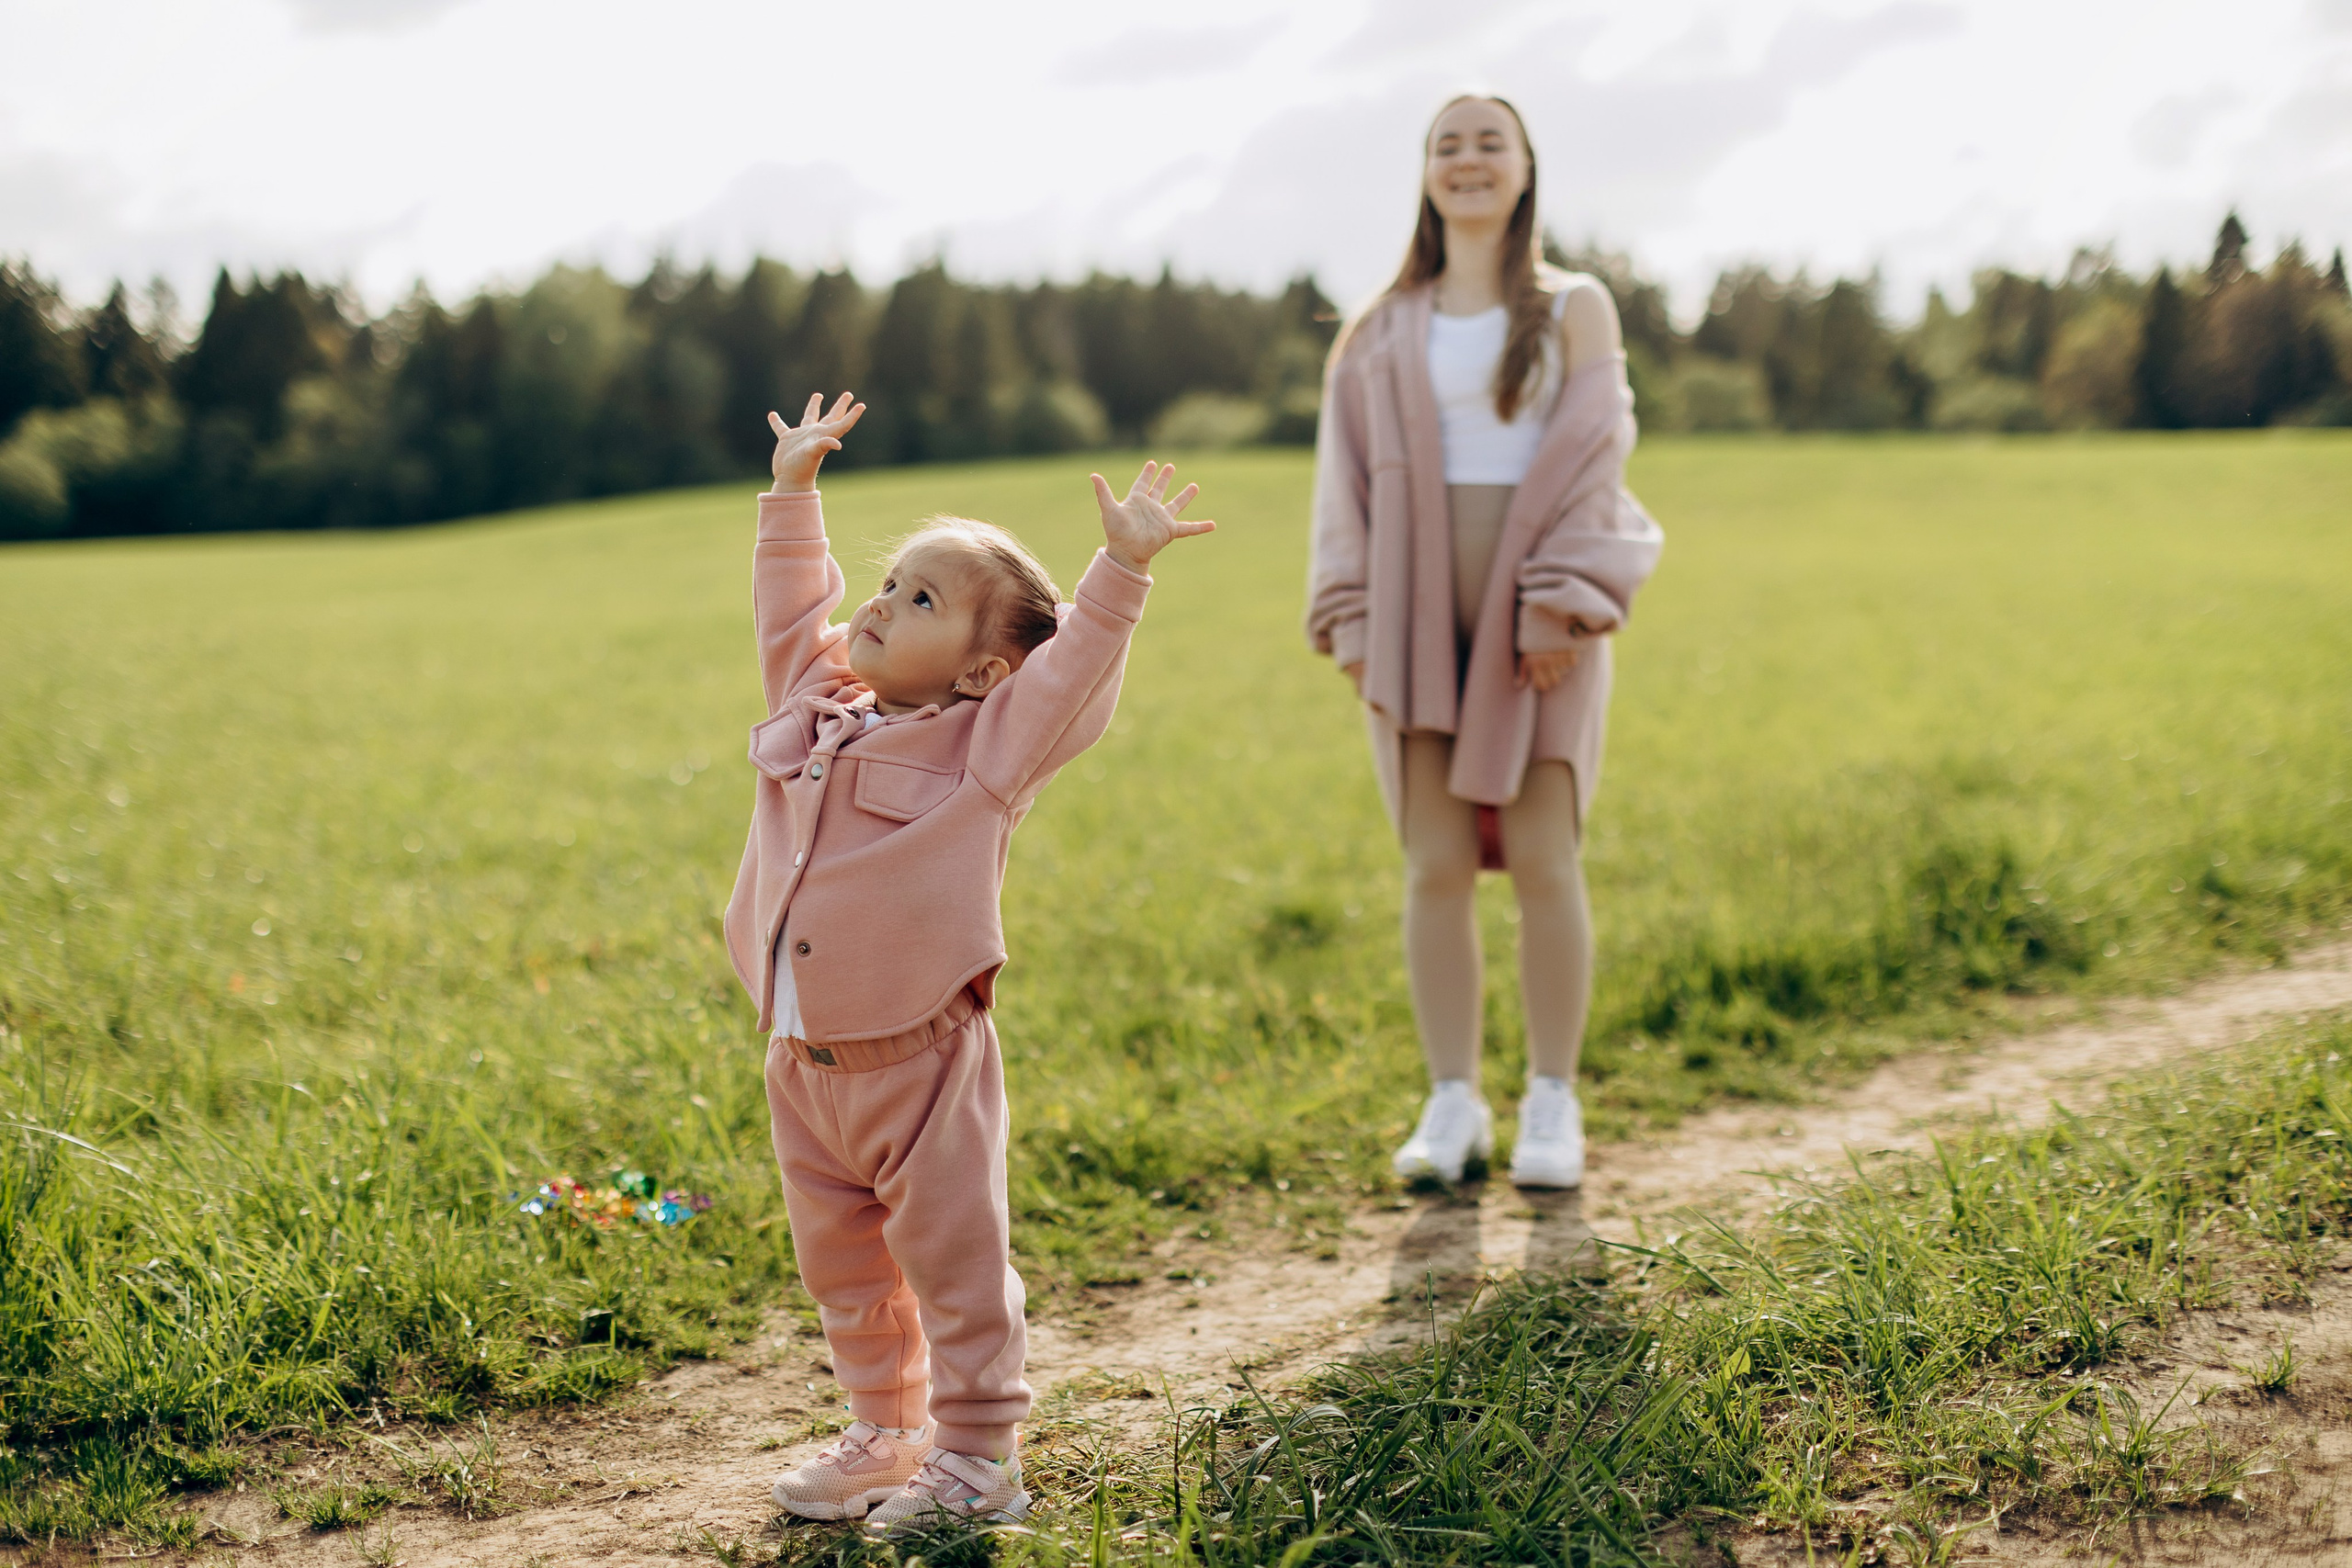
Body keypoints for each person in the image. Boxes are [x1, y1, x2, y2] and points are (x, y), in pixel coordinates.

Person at [724, 392, 1213, 1531]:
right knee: (843, 1269)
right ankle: (888, 1433)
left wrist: (1121, 573)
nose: (884, 605)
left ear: (988, 670)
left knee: (950, 1262)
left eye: (924, 598)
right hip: (804, 1061)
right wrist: (793, 495)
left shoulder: (988, 749)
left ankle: (981, 1456)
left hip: (923, 1064)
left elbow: (1070, 678)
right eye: (891, 584)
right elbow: (792, 614)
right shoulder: (820, 702)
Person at [1306, 95, 1664, 1190]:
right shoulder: (1377, 326)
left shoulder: (1576, 308)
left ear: (1523, 171)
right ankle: (1452, 1100)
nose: (1467, 159)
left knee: (1547, 857)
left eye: (1487, 143)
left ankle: (1551, 1100)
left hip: (1538, 609)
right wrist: (1356, 618)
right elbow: (1343, 485)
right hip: (1412, 608)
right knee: (1435, 865)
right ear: (1424, 174)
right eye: (1445, 144)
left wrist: (1559, 600)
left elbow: (1597, 453)